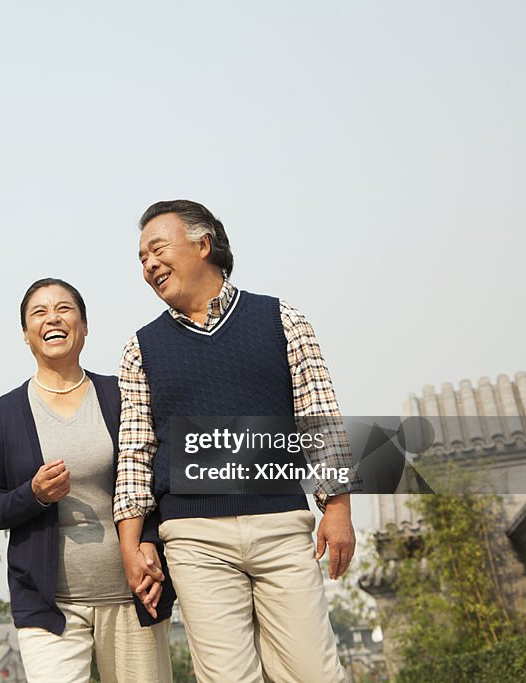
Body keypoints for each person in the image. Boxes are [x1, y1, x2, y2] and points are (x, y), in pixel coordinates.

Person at [113, 201, 358, 683]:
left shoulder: (281, 319)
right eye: (141, 258)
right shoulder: (140, 349)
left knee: (315, 673)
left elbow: (319, 418)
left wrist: (338, 508)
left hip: (282, 527)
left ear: (203, 244)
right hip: (194, 538)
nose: (148, 265)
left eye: (157, 249)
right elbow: (135, 454)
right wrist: (131, 545)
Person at [0, 277, 174, 683]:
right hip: (49, 607)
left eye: (64, 309)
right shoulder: (5, 413)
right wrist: (33, 495)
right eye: (39, 312)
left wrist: (150, 541)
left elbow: (156, 481)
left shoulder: (122, 396)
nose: (53, 318)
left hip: (132, 594)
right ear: (27, 335)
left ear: (84, 325)